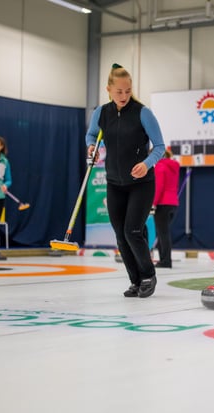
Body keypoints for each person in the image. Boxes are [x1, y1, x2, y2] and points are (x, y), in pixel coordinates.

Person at [86, 64, 166, 298]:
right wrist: (91, 146)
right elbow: (91, 135)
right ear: (108, 89)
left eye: (128, 91)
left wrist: (146, 164)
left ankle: (148, 275)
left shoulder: (143, 113)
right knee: (120, 235)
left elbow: (160, 146)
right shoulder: (101, 112)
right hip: (114, 182)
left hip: (141, 183)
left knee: (132, 230)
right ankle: (135, 281)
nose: (123, 96)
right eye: (119, 91)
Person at [152, 148, 180, 268]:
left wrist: (153, 203)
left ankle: (165, 260)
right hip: (173, 203)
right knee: (164, 232)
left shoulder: (160, 167)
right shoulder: (173, 167)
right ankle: (165, 259)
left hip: (162, 204)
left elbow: (159, 187)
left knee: (162, 233)